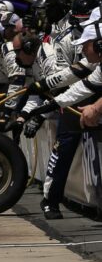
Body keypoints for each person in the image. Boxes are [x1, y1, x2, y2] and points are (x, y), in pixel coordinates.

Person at [24, 20, 102, 220]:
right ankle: (50, 200)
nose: (83, 49)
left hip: (93, 105)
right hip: (78, 103)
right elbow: (76, 79)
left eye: (86, 44)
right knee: (62, 149)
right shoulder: (83, 51)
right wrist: (44, 96)